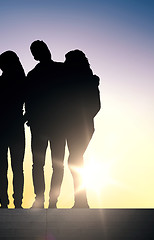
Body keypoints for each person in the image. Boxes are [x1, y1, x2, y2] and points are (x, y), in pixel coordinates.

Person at [25, 40, 66, 208]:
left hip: (49, 125)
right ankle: (45, 199)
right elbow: (29, 99)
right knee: (46, 164)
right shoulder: (58, 70)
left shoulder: (35, 74)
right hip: (49, 125)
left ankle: (48, 199)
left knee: (46, 164)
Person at [63, 50, 101, 208]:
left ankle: (81, 201)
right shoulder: (69, 81)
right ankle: (81, 200)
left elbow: (96, 106)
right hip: (73, 126)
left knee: (74, 159)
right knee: (76, 159)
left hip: (83, 126)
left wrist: (81, 117)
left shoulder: (89, 81)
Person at [0, 51, 26, 209]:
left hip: (1, 128)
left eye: (1, 61)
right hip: (12, 128)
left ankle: (6, 202)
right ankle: (14, 202)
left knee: (4, 168)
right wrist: (24, 118)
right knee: (15, 167)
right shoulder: (20, 81)